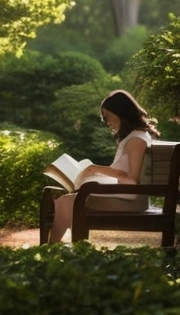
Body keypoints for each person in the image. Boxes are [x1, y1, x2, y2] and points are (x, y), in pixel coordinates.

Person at [48, 89, 160, 243]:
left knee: (66, 202)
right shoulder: (133, 137)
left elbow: (132, 179)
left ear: (121, 112)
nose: (107, 122)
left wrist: (95, 169)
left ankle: (50, 249)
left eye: (108, 116)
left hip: (131, 201)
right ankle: (68, 249)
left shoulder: (136, 140)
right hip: (123, 195)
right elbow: (124, 175)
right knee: (68, 201)